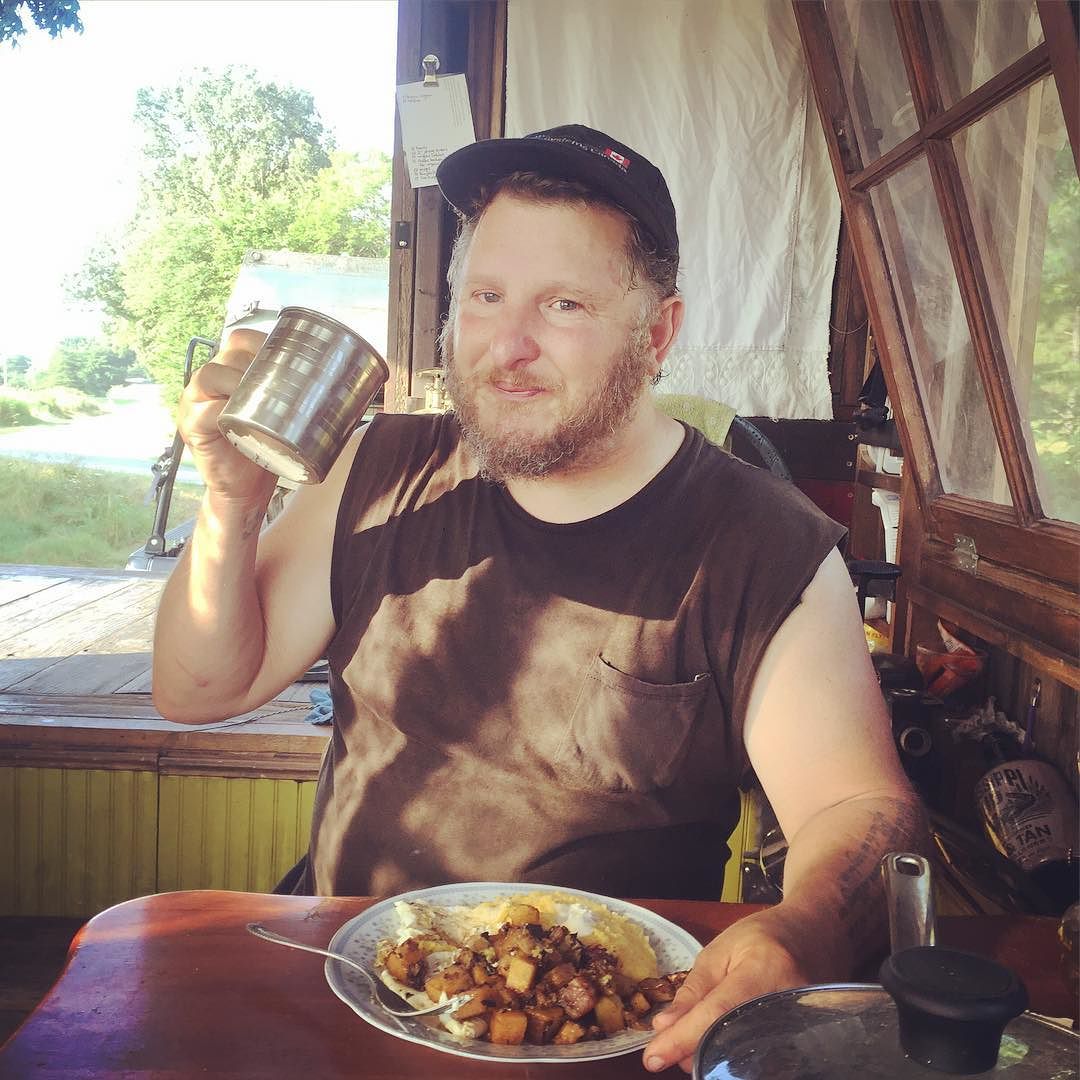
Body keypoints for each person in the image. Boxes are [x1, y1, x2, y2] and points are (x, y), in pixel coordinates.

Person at [153, 124, 925, 1073]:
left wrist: (800, 932)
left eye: (562, 304)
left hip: (604, 1031)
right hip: (353, 988)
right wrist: (229, 502)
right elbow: (199, 690)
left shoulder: (765, 547)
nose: (507, 346)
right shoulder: (377, 468)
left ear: (659, 334)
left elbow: (862, 810)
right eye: (484, 297)